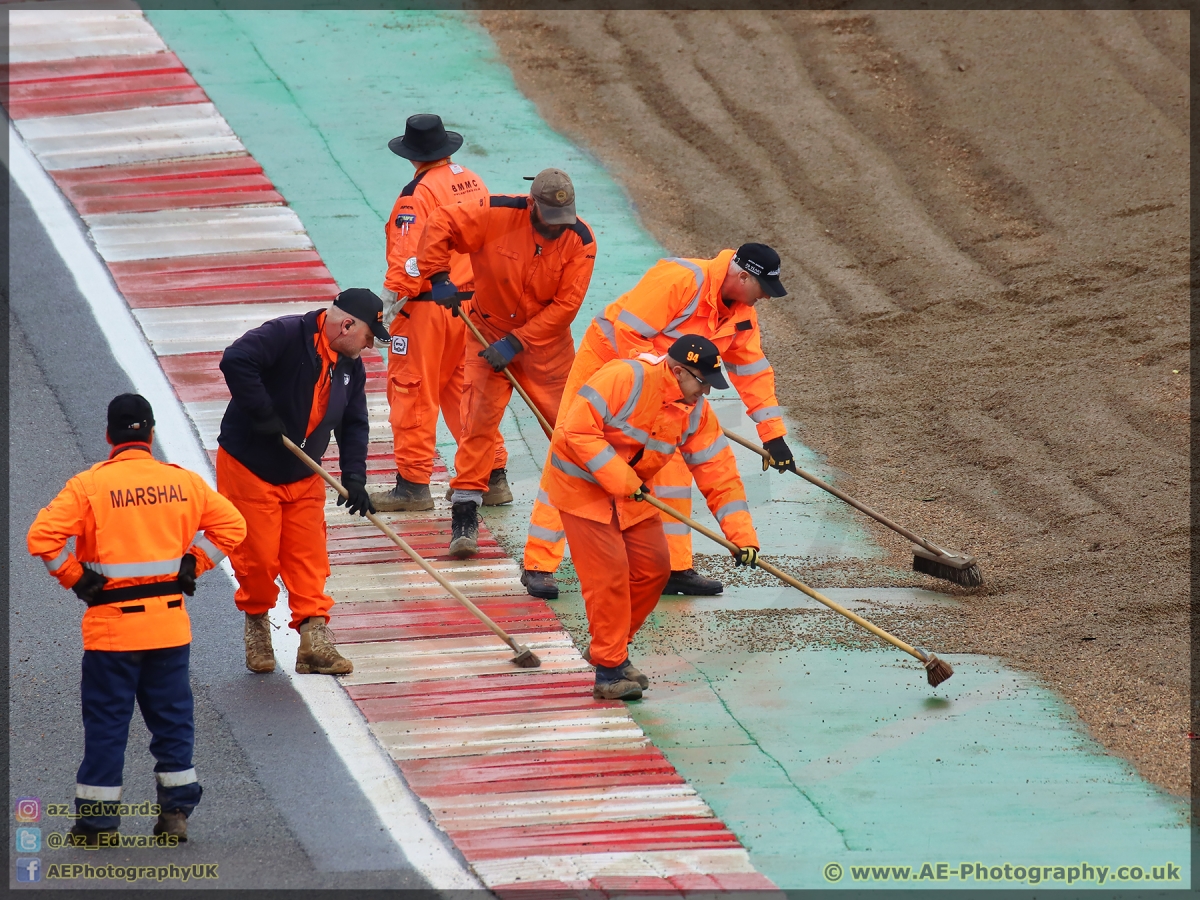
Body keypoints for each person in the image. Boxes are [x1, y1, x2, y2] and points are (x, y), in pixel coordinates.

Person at [27, 394, 247, 845]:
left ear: (110, 436)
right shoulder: (182, 483)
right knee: (172, 721)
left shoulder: (89, 487)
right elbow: (234, 526)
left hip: (112, 632)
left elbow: (42, 537)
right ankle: (175, 814)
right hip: (169, 629)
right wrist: (195, 563)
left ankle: (97, 825)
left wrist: (74, 576)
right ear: (150, 434)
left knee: (108, 725)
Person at [523, 243, 793, 601]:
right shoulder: (681, 280)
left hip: (675, 381)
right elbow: (628, 334)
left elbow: (752, 373)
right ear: (743, 276)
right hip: (612, 362)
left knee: (672, 466)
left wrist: (773, 436)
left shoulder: (741, 315)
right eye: (763, 289)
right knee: (572, 455)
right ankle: (538, 565)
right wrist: (658, 389)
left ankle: (674, 568)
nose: (766, 298)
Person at [546, 336, 759, 700]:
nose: (705, 392)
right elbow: (577, 431)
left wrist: (742, 537)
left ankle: (611, 651)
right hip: (582, 489)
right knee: (610, 577)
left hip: (632, 491)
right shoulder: (623, 378)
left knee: (654, 570)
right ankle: (609, 672)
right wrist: (622, 479)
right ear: (679, 372)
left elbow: (718, 473)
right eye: (702, 383)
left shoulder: (694, 411)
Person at [416, 167, 596, 558]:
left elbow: (566, 306)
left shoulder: (580, 239)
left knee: (568, 428)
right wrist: (438, 275)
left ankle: (592, 514)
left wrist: (518, 342)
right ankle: (464, 516)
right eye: (548, 221)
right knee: (477, 422)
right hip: (486, 333)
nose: (555, 230)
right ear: (532, 204)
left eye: (561, 223)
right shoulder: (494, 212)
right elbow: (440, 221)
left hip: (545, 346)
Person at [217, 289, 387, 676]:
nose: (369, 345)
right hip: (250, 467)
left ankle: (314, 643)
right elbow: (236, 360)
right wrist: (262, 413)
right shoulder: (285, 334)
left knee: (309, 559)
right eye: (368, 336)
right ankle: (257, 622)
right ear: (347, 325)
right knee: (258, 558)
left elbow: (354, 421)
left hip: (304, 470)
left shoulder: (349, 366)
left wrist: (355, 477)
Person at [373, 114, 510, 512]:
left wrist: (385, 308)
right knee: (467, 393)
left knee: (412, 391)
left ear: (411, 155)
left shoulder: (416, 195)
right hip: (470, 307)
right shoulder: (471, 179)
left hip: (428, 311)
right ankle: (492, 477)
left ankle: (413, 486)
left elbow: (408, 259)